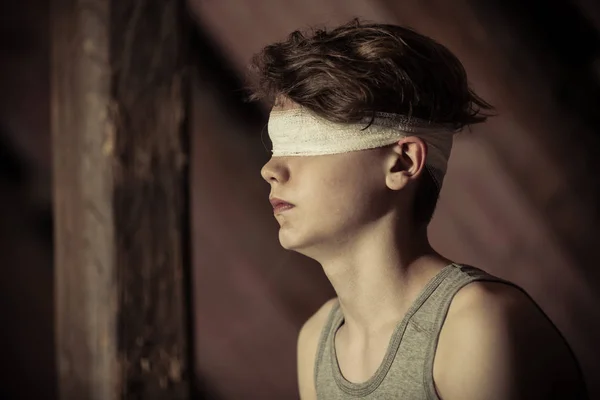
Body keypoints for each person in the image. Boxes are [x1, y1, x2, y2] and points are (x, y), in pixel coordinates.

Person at [249, 19, 587, 399]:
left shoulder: (474, 324)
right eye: (277, 147)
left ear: (403, 162)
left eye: (307, 145)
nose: (270, 170)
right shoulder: (316, 342)